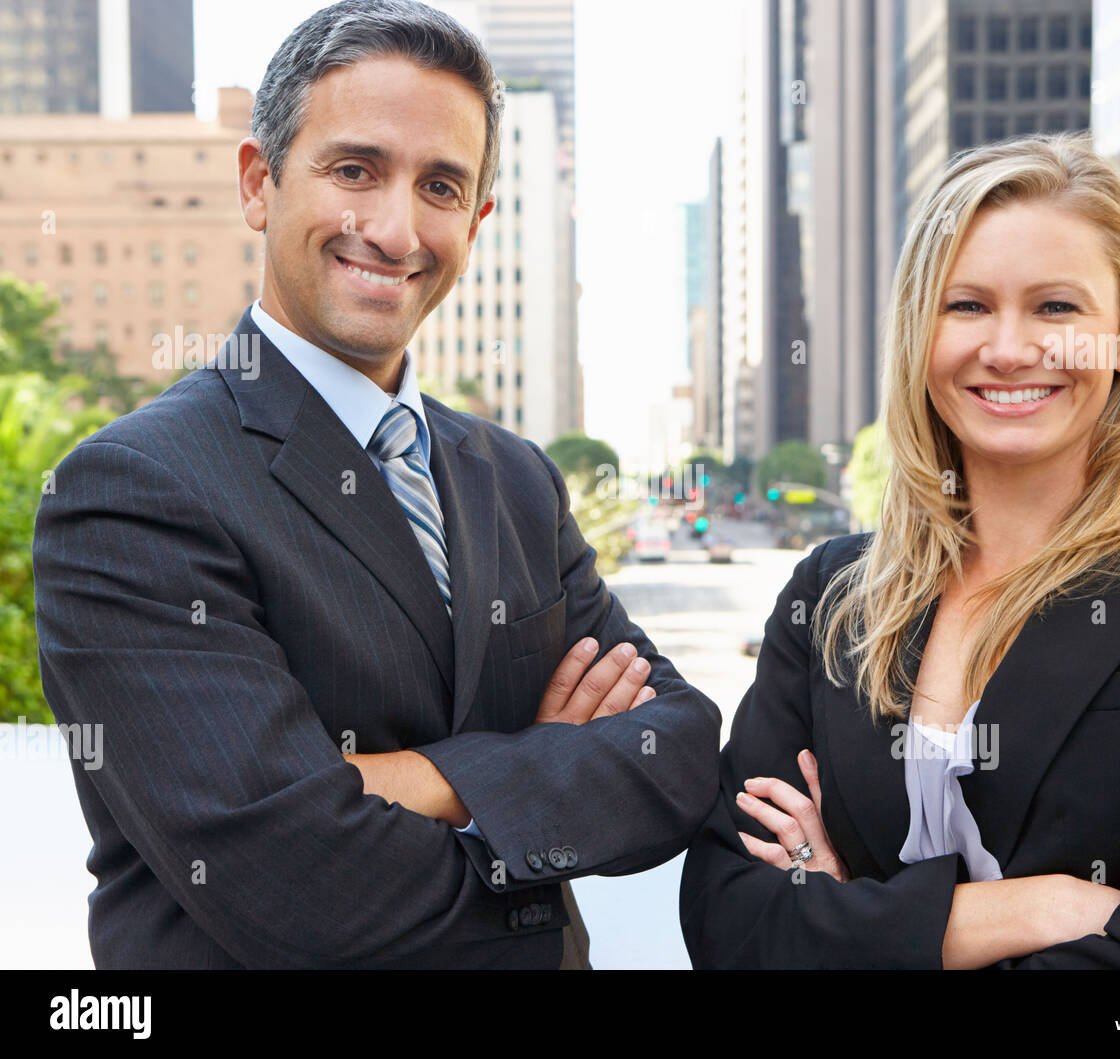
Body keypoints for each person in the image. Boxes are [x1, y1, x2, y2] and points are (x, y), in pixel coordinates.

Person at [32, 0, 720, 969]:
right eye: (355, 171)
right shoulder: (132, 492)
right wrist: (537, 775)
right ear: (258, 182)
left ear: (477, 220)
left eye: (440, 187)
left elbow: (681, 753)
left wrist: (397, 781)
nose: (395, 230)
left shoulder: (514, 480)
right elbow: (296, 883)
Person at [678, 133, 1120, 969]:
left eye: (1057, 308)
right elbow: (729, 923)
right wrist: (1020, 909)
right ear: (918, 334)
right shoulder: (830, 596)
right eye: (966, 305)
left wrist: (842, 914)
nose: (1008, 349)